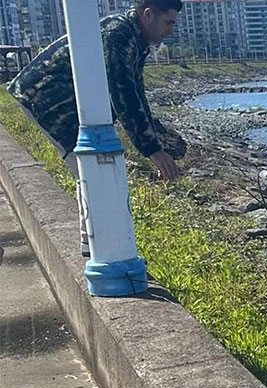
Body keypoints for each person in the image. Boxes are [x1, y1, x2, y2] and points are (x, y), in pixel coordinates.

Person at [8, 0, 188, 257]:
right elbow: (123, 93)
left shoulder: (133, 37)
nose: (171, 30)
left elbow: (136, 94)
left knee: (95, 170)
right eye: (168, 22)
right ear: (148, 15)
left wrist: (158, 137)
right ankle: (97, 248)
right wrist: (153, 151)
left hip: (68, 100)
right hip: (46, 98)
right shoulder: (118, 36)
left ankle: (92, 244)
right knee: (94, 169)